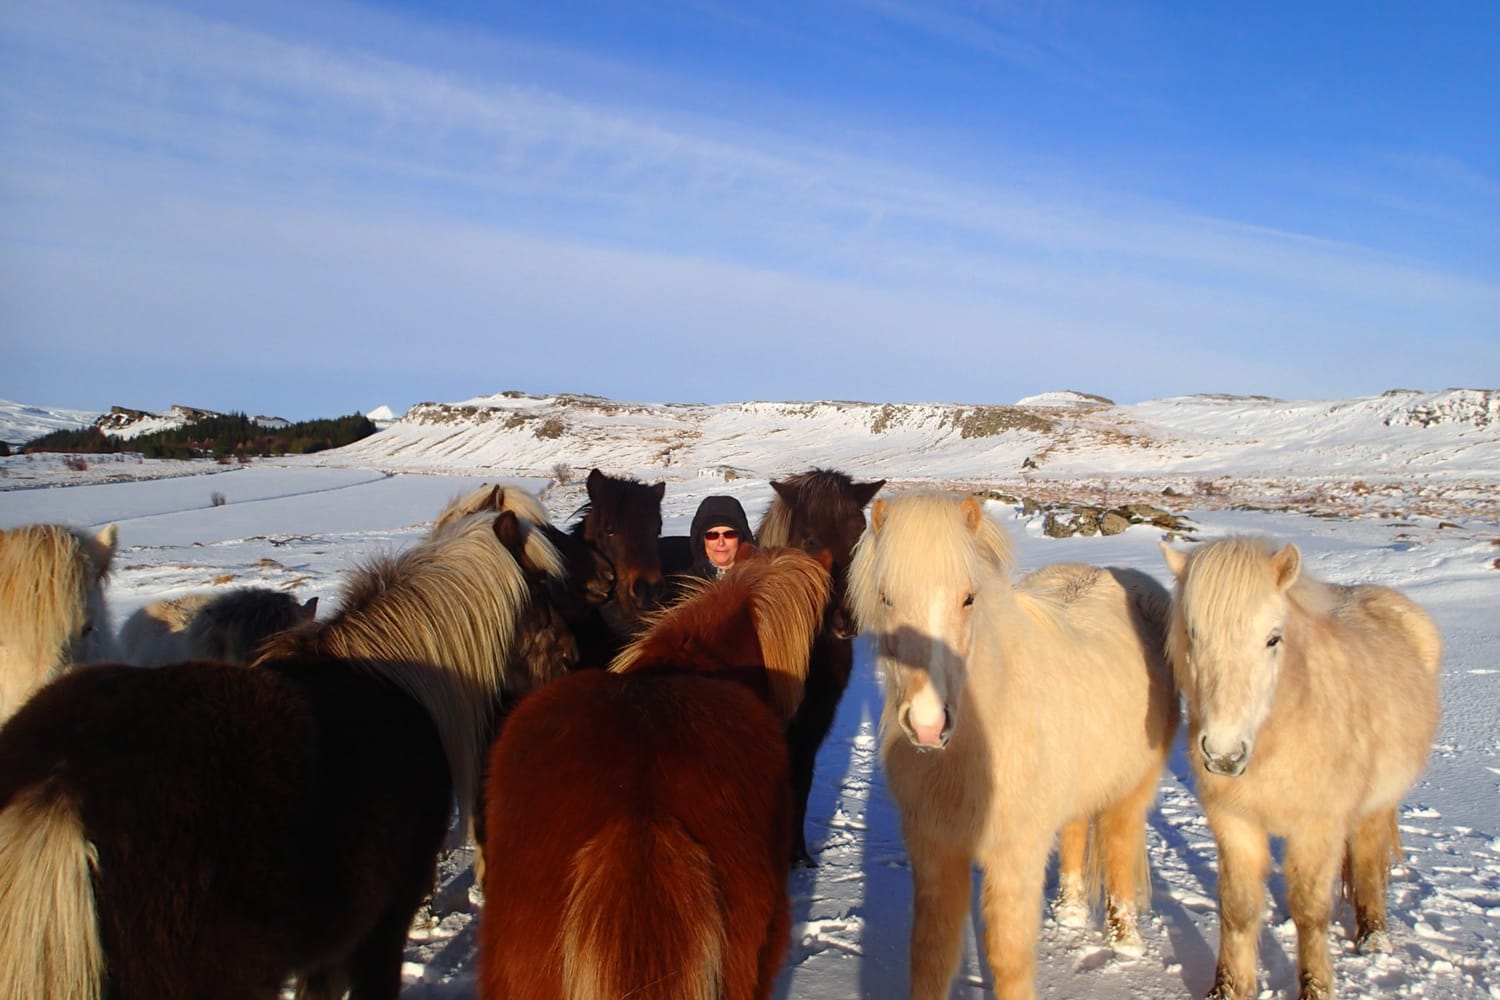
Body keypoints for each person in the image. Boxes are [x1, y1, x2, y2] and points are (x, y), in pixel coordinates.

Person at [689, 495, 756, 579]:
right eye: (712, 535)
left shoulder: (762, 582)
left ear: (740, 539)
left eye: (729, 534)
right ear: (702, 541)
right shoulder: (685, 586)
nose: (721, 542)